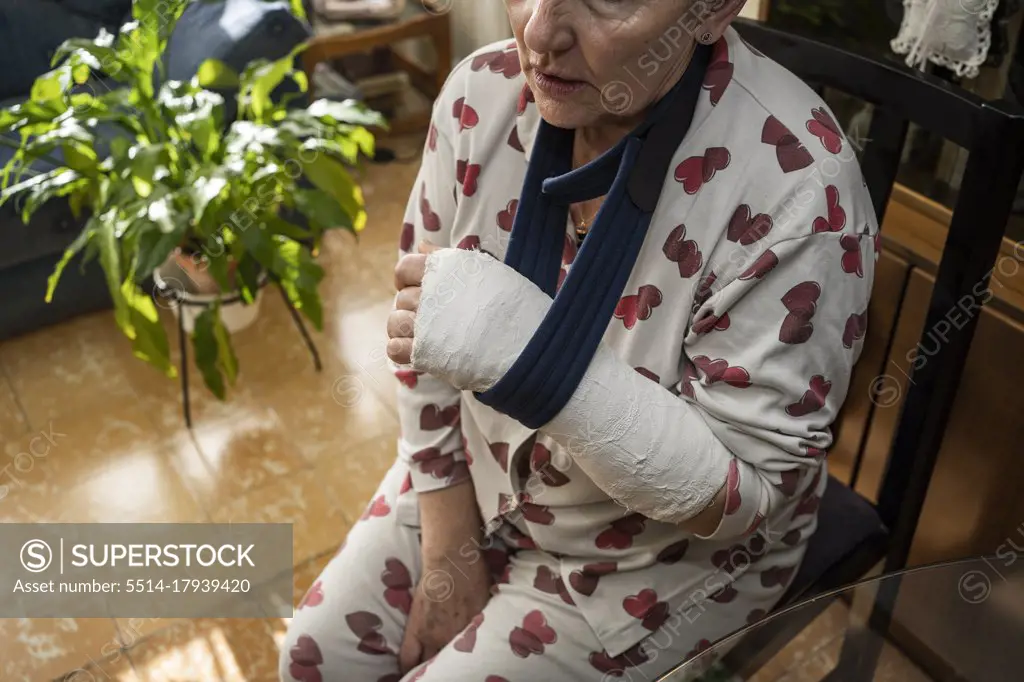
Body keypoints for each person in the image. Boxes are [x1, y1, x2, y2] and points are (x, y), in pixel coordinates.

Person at [280, 0, 877, 680]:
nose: (538, 33)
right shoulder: (480, 93)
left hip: (650, 564)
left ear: (713, 9)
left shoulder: (801, 196)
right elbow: (427, 330)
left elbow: (746, 494)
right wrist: (449, 544)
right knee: (311, 658)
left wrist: (530, 358)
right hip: (479, 467)